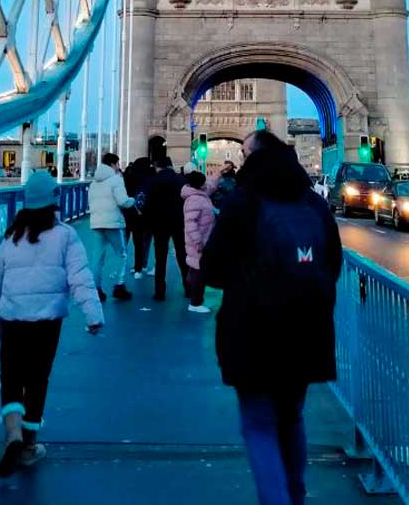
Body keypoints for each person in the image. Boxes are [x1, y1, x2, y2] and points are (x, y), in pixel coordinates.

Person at [202, 129, 342, 505]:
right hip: (307, 330)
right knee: (291, 418)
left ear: (254, 158)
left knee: (260, 425)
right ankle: (296, 494)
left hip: (253, 331)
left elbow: (212, 269)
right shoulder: (314, 204)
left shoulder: (242, 202)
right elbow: (333, 264)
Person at [0, 170, 103, 478]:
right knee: (37, 380)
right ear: (54, 201)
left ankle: (11, 435)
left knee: (11, 377)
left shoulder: (11, 237)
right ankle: (28, 446)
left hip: (12, 318)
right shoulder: (66, 235)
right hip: (47, 321)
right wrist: (93, 315)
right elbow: (80, 279)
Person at [88, 152, 135, 302]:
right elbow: (122, 201)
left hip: (96, 223)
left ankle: (96, 289)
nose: (118, 167)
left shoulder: (93, 183)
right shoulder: (116, 180)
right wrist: (133, 201)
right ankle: (119, 286)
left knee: (97, 258)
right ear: (113, 164)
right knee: (121, 254)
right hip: (112, 223)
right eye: (117, 164)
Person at [143, 156, 189, 301]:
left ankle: (159, 291)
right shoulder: (181, 180)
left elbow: (148, 203)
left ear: (158, 166)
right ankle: (188, 287)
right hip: (178, 221)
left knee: (160, 258)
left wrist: (148, 221)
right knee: (182, 255)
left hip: (159, 224)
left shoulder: (154, 181)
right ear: (170, 165)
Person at [182, 170, 216, 314]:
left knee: (196, 269)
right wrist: (198, 241)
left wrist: (218, 174)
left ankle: (195, 297)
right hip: (198, 241)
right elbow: (191, 223)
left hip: (201, 239)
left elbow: (211, 186)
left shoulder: (199, 195)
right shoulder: (196, 199)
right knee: (198, 270)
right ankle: (195, 302)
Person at [124, 156, 156, 278]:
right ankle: (139, 268)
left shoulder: (128, 177)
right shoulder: (149, 179)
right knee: (140, 243)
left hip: (128, 214)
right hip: (143, 215)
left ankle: (120, 268)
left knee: (124, 243)